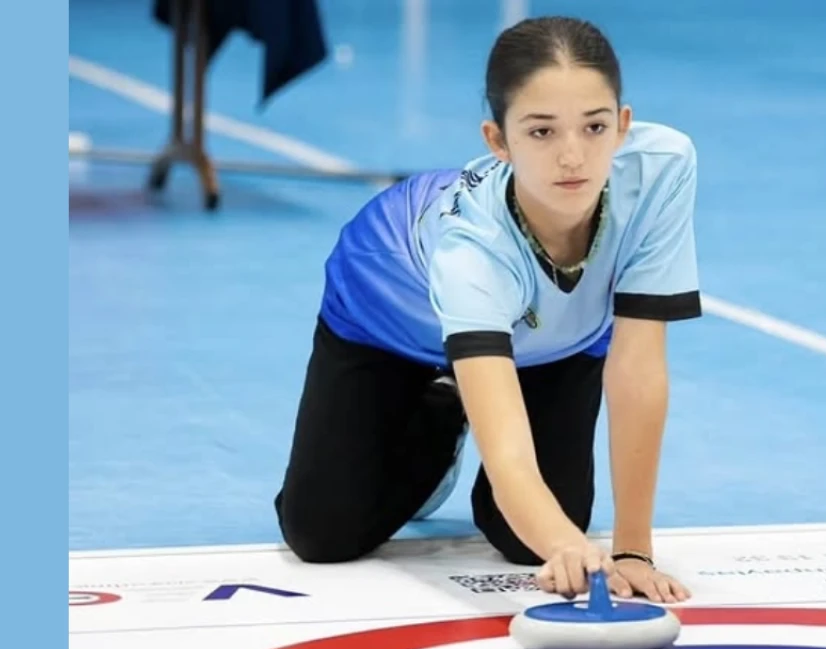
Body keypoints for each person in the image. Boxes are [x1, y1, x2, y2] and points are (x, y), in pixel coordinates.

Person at [273, 15, 700, 604]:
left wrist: (631, 548)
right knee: (321, 532)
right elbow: (508, 457)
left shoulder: (661, 169)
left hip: (558, 339)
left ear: (624, 125)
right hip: (386, 319)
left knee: (526, 539)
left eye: (595, 126)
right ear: (498, 141)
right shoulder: (471, 251)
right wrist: (566, 545)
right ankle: (440, 408)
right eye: (542, 131)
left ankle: (466, 395)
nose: (573, 156)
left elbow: (638, 369)